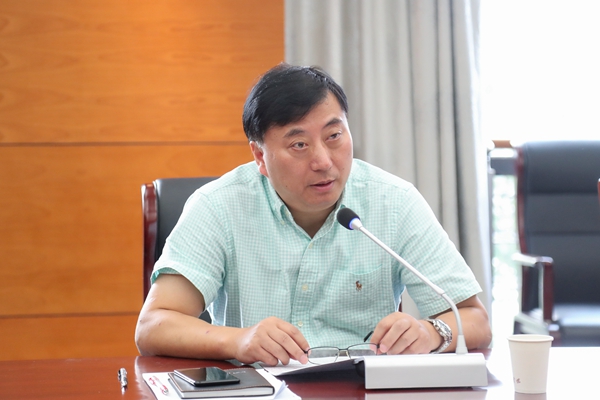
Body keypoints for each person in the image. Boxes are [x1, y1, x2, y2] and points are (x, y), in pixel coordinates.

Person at [135, 63, 492, 366]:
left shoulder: (394, 202)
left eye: (334, 136)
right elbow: (154, 325)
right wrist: (238, 340)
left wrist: (431, 332)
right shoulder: (218, 206)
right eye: (299, 145)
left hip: (362, 389)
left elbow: (474, 318)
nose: (323, 161)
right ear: (260, 156)